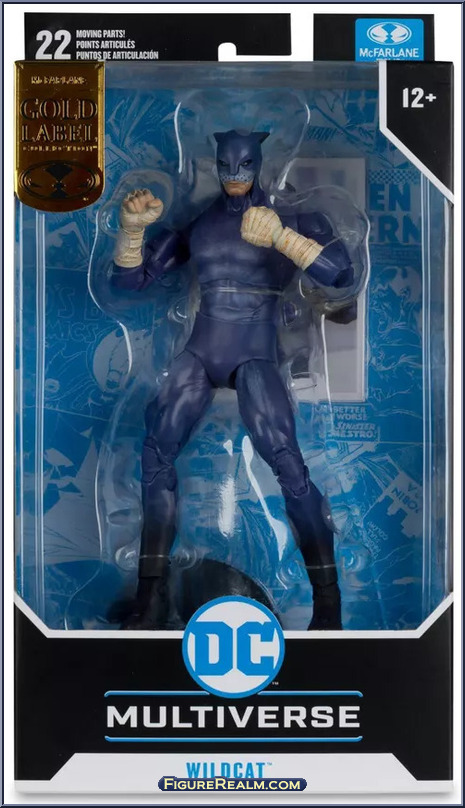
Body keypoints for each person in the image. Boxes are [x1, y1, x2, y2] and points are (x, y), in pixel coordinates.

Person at [112, 129, 354, 630]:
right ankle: (150, 597)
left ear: (259, 163)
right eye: (226, 166)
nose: (235, 175)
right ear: (217, 164)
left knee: (287, 464)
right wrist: (131, 232)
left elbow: (341, 276)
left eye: (244, 165)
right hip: (201, 349)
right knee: (155, 452)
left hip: (255, 354)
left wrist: (284, 239)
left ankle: (328, 606)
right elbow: (131, 282)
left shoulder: (295, 218)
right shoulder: (200, 224)